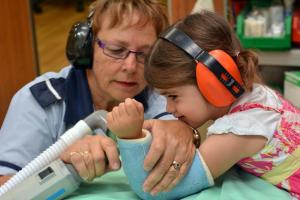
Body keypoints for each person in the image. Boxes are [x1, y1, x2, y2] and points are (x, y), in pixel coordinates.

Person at [0, 0, 196, 194]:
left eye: (145, 54)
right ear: (85, 47)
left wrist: (185, 131)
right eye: (116, 50)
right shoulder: (38, 102)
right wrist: (64, 167)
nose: (130, 66)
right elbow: (4, 187)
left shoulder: (159, 93)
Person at [108, 10, 300, 199]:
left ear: (213, 81)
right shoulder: (256, 95)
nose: (168, 108)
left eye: (173, 96)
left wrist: (130, 137)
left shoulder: (239, 130)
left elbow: (153, 191)